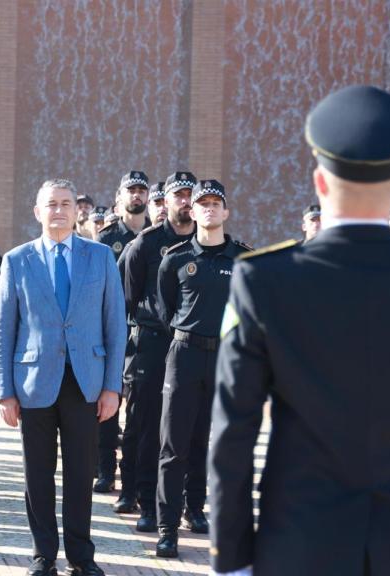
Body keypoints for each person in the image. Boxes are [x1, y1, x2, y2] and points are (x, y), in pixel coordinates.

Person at [209, 85, 390, 576]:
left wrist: (232, 558)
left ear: (320, 183)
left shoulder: (264, 279)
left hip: (299, 542)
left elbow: (232, 429)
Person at [0, 178, 124, 576]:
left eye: (66, 203)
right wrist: (5, 391)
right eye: (51, 204)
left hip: (86, 381)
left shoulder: (100, 258)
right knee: (38, 473)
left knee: (82, 474)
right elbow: (3, 329)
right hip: (34, 383)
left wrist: (112, 386)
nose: (59, 210)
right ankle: (43, 555)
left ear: (76, 210)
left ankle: (82, 557)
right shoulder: (17, 260)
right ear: (38, 211)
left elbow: (116, 325)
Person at [154, 179, 250, 558]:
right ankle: (166, 527)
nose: (209, 209)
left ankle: (196, 510)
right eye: (202, 203)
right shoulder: (175, 259)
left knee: (210, 442)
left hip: (225, 358)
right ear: (191, 212)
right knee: (174, 443)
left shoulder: (243, 259)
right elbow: (166, 310)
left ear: (226, 212)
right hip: (184, 355)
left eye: (216, 203)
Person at [119, 171, 196, 532]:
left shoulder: (208, 244)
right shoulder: (145, 244)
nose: (183, 201)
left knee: (190, 429)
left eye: (188, 195)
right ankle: (144, 500)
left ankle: (189, 505)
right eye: (176, 195)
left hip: (191, 346)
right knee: (147, 426)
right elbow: (126, 300)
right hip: (150, 344)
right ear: (164, 201)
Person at [93, 170, 148, 496]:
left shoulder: (157, 239)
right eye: (131, 190)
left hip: (144, 334)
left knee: (138, 410)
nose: (137, 196)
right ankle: (104, 471)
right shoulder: (105, 239)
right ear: (120, 196)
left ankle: (134, 475)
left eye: (142, 190)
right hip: (110, 332)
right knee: (106, 408)